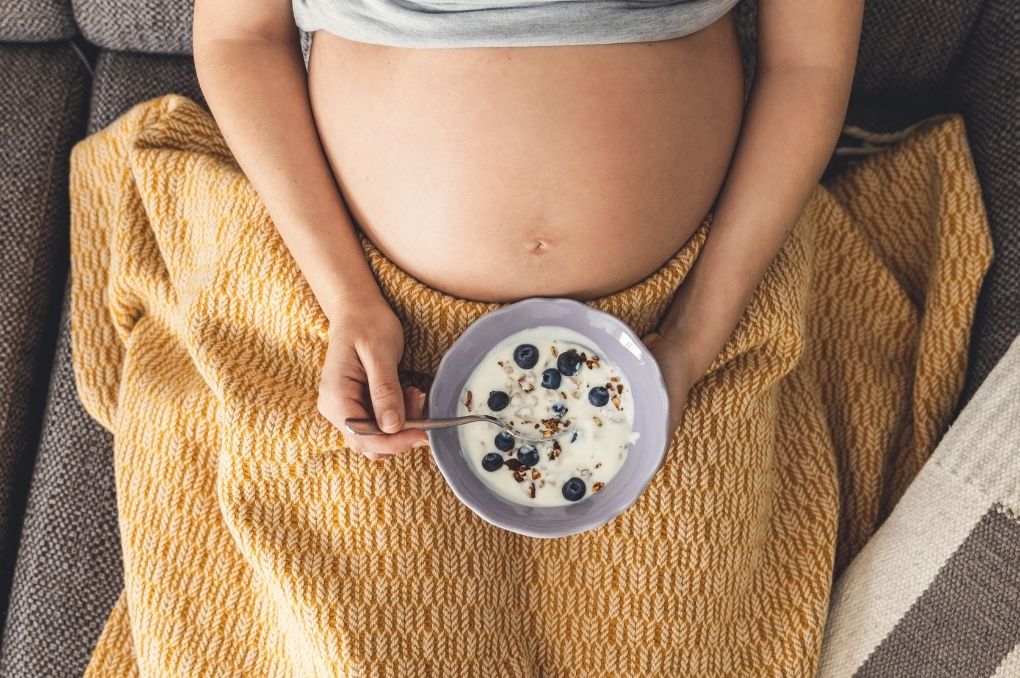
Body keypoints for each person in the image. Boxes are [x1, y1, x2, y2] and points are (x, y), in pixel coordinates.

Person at [192, 0, 865, 462]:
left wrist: (694, 337)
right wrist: (348, 303)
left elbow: (810, 64)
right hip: (361, 310)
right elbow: (238, 38)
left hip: (693, 309)